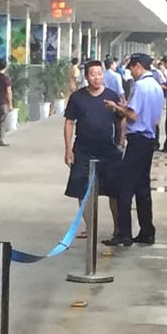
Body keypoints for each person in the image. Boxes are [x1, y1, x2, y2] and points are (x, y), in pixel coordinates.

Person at [62, 58, 125, 232]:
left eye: (99, 74)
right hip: (83, 150)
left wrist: (121, 142)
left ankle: (118, 229)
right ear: (86, 77)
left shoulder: (112, 96)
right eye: (92, 74)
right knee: (82, 191)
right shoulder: (77, 98)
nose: (96, 78)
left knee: (114, 191)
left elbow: (121, 120)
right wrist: (68, 150)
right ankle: (91, 228)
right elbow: (69, 123)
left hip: (108, 150)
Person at [120, 53, 165, 244]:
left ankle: (124, 234)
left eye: (131, 68)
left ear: (138, 66)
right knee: (142, 187)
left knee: (124, 187)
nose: (131, 72)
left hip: (137, 139)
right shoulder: (156, 86)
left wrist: (116, 107)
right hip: (149, 139)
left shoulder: (139, 86)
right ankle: (147, 231)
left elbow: (132, 115)